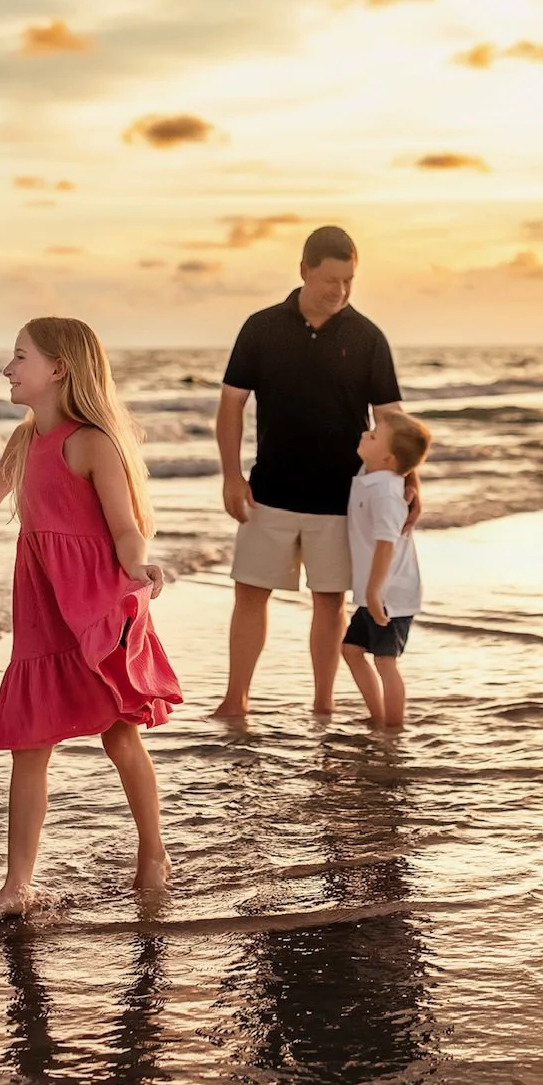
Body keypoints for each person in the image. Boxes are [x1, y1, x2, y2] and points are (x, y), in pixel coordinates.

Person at [0, 317, 182, 921]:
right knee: (29, 742)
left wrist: (140, 568)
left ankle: (153, 852)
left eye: (19, 357)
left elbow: (124, 527)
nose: (7, 369)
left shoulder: (91, 442)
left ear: (58, 368)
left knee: (120, 733)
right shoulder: (24, 439)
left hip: (93, 602)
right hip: (43, 605)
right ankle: (16, 887)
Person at [212, 225, 414, 718]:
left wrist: (410, 479)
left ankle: (322, 705)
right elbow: (231, 404)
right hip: (270, 491)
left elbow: (391, 419)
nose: (339, 292)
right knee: (250, 594)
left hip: (343, 497)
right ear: (304, 270)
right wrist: (231, 476)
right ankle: (236, 698)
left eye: (348, 281)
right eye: (330, 280)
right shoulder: (261, 327)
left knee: (329, 602)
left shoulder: (367, 337)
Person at [341, 413, 431, 730]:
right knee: (351, 650)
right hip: (375, 592)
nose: (366, 433)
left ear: (388, 458)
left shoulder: (386, 494)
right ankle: (379, 716)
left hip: (390, 594)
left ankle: (392, 728)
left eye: (375, 436)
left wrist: (374, 593)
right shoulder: (372, 477)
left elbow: (385, 547)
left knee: (385, 661)